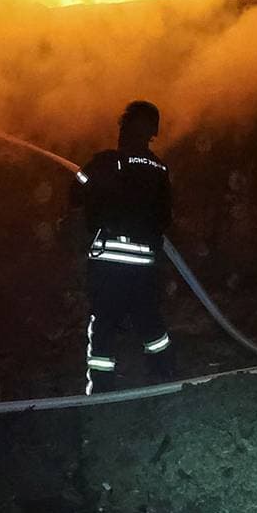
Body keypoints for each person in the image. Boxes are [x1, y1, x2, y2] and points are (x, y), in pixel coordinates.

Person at [68, 100, 175, 394]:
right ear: (152, 132)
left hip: (110, 260)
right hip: (145, 265)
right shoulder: (159, 169)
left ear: (125, 128)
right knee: (150, 322)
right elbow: (165, 218)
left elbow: (75, 194)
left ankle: (102, 392)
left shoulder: (106, 162)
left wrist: (85, 179)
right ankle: (166, 380)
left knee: (104, 325)